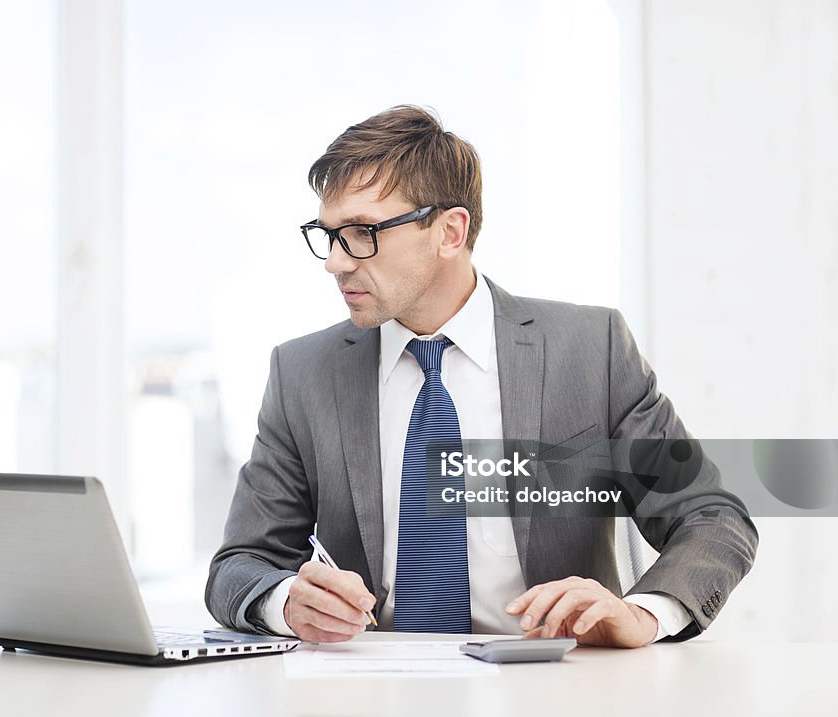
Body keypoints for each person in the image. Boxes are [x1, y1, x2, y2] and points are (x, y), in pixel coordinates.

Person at [205, 105, 758, 647]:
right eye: (329, 235)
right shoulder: (304, 372)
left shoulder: (592, 351)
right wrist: (283, 601)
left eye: (362, 232)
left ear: (450, 232)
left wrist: (641, 614)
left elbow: (712, 517)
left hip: (554, 684)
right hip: (371, 687)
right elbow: (240, 564)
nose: (337, 262)